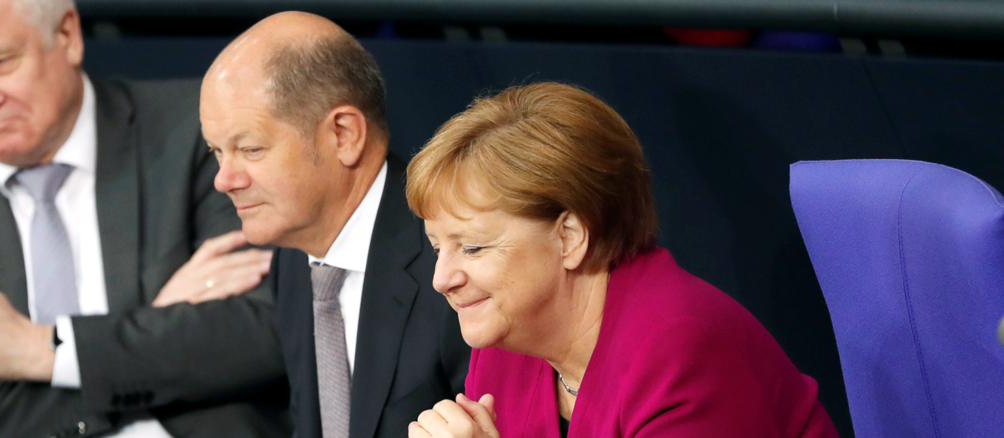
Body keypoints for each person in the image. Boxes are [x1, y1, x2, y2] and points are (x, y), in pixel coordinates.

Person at [0, 0, 287, 436]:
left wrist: (37, 351)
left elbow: (263, 331)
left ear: (67, 36)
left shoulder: (197, 132)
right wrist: (150, 326)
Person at [405, 82, 840, 438]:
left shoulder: (680, 353)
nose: (442, 279)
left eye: (473, 247)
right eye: (438, 247)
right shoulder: (506, 340)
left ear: (569, 237)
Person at [200, 11, 471, 438]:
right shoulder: (294, 262)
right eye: (216, 152)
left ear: (344, 135)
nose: (223, 180)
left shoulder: (457, 260)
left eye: (249, 149)